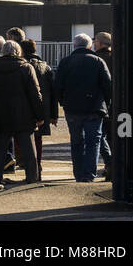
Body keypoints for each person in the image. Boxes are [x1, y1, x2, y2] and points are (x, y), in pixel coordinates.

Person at [54, 33, 112, 182]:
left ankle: (78, 173)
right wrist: (106, 104)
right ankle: (88, 174)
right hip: (94, 108)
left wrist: (63, 102)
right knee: (93, 142)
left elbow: (58, 86)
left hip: (72, 108)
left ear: (74, 46)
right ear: (90, 46)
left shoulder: (65, 62)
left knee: (76, 142)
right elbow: (107, 86)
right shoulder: (98, 61)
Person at [0, 41, 43, 184]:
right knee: (29, 149)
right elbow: (35, 94)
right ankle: (32, 177)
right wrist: (40, 115)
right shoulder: (26, 68)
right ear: (19, 52)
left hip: (1, 114)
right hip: (24, 115)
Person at [20, 38, 58, 176]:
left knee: (24, 139)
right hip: (43, 108)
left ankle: (30, 168)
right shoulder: (45, 67)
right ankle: (38, 165)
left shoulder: (22, 65)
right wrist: (53, 115)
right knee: (38, 139)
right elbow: (53, 93)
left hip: (25, 108)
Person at [95, 32, 114, 182]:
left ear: (100, 43)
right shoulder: (116, 57)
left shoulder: (97, 59)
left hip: (100, 103)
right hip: (116, 103)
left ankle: (109, 163)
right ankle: (113, 165)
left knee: (100, 135)